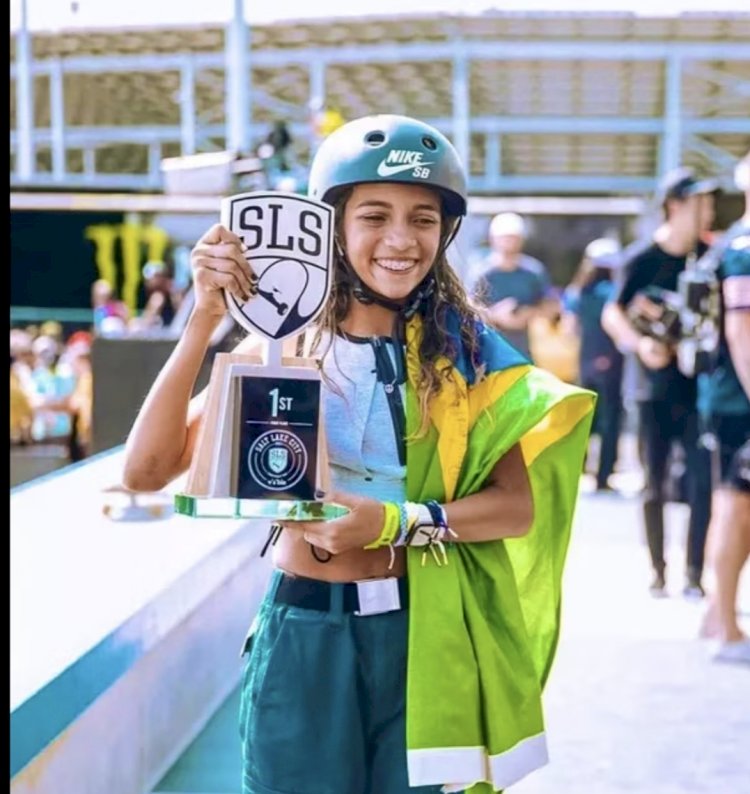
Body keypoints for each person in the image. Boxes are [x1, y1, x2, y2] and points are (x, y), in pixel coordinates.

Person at [122, 114, 595, 794]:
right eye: (374, 215)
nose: (401, 240)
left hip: (425, 635)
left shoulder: (467, 358)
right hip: (305, 631)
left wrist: (394, 520)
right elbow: (144, 472)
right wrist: (205, 318)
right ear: (333, 226)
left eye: (423, 219)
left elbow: (514, 508)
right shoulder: (281, 348)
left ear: (447, 232)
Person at [602, 166, 716, 599]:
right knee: (655, 480)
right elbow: (614, 312)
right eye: (697, 202)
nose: (706, 210)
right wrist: (639, 345)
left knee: (701, 480)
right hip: (651, 388)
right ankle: (658, 569)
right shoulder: (642, 258)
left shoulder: (709, 257)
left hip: (697, 387)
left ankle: (694, 573)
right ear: (675, 205)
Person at [697, 151, 750, 664]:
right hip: (739, 400)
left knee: (730, 503)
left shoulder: (732, 243)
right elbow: (740, 328)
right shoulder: (744, 248)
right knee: (738, 506)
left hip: (729, 396)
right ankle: (728, 629)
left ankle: (718, 613)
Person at [563, 238, 624, 491]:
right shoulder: (613, 292)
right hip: (611, 360)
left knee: (585, 416)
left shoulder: (576, 291)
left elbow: (569, 329)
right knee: (610, 419)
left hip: (585, 360)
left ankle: (578, 468)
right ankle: (603, 475)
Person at [471, 211, 557, 360]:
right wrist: (496, 315)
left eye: (513, 238)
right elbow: (467, 309)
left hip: (523, 352)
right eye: (504, 238)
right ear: (493, 239)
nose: (509, 243)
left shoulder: (533, 272)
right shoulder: (481, 273)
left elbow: (551, 307)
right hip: (488, 354)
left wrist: (527, 314)